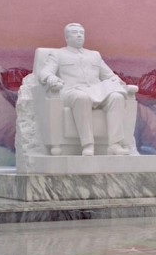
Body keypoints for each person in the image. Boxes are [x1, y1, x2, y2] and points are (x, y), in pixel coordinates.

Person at [39, 23, 135, 156]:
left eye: (81, 33)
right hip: (72, 91)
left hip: (96, 91)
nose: (79, 35)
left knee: (116, 97)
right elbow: (44, 73)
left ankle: (114, 144)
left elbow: (109, 75)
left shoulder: (94, 55)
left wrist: (119, 83)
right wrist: (50, 78)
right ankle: (88, 144)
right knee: (82, 98)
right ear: (66, 37)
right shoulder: (58, 54)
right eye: (74, 32)